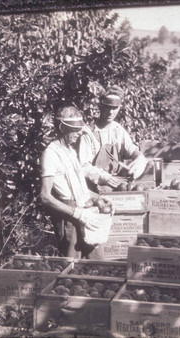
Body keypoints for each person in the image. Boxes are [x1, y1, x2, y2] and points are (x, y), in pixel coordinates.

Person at [40, 106, 109, 259]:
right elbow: (45, 196)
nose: (79, 133)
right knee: (71, 268)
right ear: (61, 128)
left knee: (97, 264)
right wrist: (76, 213)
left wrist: (96, 198)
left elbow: (79, 189)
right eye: (75, 130)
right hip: (70, 217)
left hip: (84, 212)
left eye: (80, 129)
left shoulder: (71, 151)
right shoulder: (51, 154)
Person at [78, 85, 148, 186]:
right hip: (92, 186)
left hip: (115, 183)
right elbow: (83, 167)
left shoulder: (117, 130)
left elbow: (132, 150)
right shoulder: (88, 132)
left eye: (114, 108)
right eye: (107, 107)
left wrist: (140, 159)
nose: (111, 112)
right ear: (100, 106)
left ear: (119, 108)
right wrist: (102, 176)